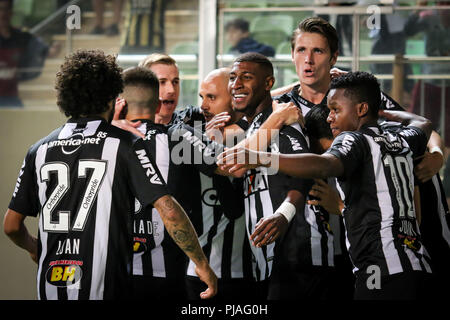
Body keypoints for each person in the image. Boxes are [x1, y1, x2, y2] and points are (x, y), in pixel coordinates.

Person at [3, 49, 217, 300]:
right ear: (112, 97)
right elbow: (168, 209)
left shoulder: (38, 149)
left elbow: (11, 226)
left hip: (50, 288)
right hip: (105, 286)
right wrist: (201, 263)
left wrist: (35, 248)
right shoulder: (123, 145)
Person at [219, 71, 434, 300]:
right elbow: (423, 122)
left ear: (361, 110)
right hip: (419, 266)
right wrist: (379, 111)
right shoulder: (402, 140)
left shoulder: (354, 138)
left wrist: (261, 157)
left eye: (336, 110)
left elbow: (324, 165)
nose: (330, 117)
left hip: (380, 268)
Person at [227, 52, 335, 299]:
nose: (236, 84)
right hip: (272, 257)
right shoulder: (254, 127)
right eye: (232, 77)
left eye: (246, 77)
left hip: (301, 252)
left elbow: (304, 172)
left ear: (268, 84)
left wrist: (282, 215)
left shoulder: (285, 122)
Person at [0, 0, 48, 107]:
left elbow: (41, 51)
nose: (2, 13)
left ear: (11, 12)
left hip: (11, 99)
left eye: (5, 9)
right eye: (0, 9)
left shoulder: (23, 38)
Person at [139, 53, 181, 125]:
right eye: (162, 82)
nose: (171, 90)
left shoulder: (193, 128)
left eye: (175, 82)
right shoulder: (127, 131)